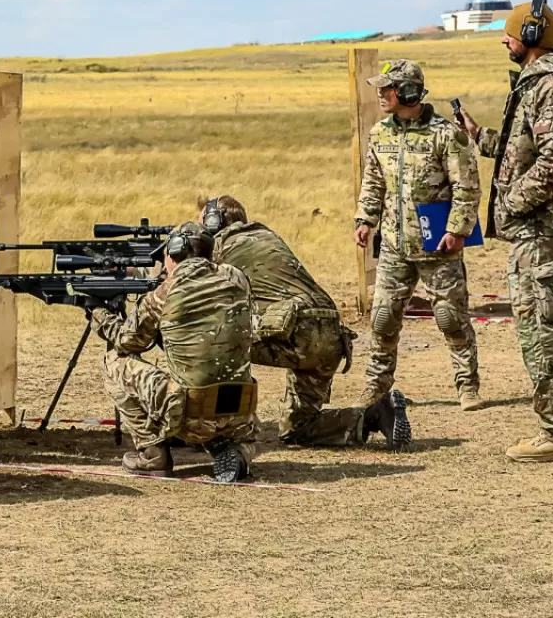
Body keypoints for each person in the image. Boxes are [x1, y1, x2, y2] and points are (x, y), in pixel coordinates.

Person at [457, 0, 553, 462]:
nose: (503, 39)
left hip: (544, 233)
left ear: (531, 38)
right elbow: (524, 152)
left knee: (541, 333)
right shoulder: (537, 86)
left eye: (510, 32)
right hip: (539, 231)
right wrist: (477, 135)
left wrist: (510, 205)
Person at [200, 194, 408, 448]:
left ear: (214, 223)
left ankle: (225, 424)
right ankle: (376, 415)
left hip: (295, 332)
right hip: (331, 335)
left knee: (213, 338)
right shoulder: (268, 237)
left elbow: (192, 294)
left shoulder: (222, 246)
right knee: (297, 429)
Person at [352, 59, 484, 412]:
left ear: (408, 92)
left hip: (437, 245)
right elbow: (374, 181)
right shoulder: (380, 134)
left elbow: (467, 187)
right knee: (382, 320)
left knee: (450, 318)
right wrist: (365, 219)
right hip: (395, 245)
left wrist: (458, 230)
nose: (381, 94)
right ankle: (376, 387)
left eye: (388, 88)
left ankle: (467, 385)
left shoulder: (446, 134)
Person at [91, 221, 259, 482]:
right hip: (239, 415)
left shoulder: (165, 292)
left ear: (175, 251)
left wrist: (100, 315)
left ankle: (152, 453)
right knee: (243, 438)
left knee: (113, 360)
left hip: (188, 417)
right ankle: (236, 452)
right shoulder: (237, 278)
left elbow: (128, 342)